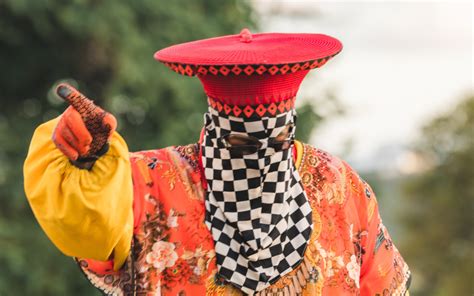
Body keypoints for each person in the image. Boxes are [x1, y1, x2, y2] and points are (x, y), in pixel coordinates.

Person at [24, 29, 411, 295]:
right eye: (241, 143)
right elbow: (86, 224)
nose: (260, 156)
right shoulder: (148, 184)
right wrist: (89, 156)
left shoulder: (337, 186)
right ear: (215, 127)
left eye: (275, 141)